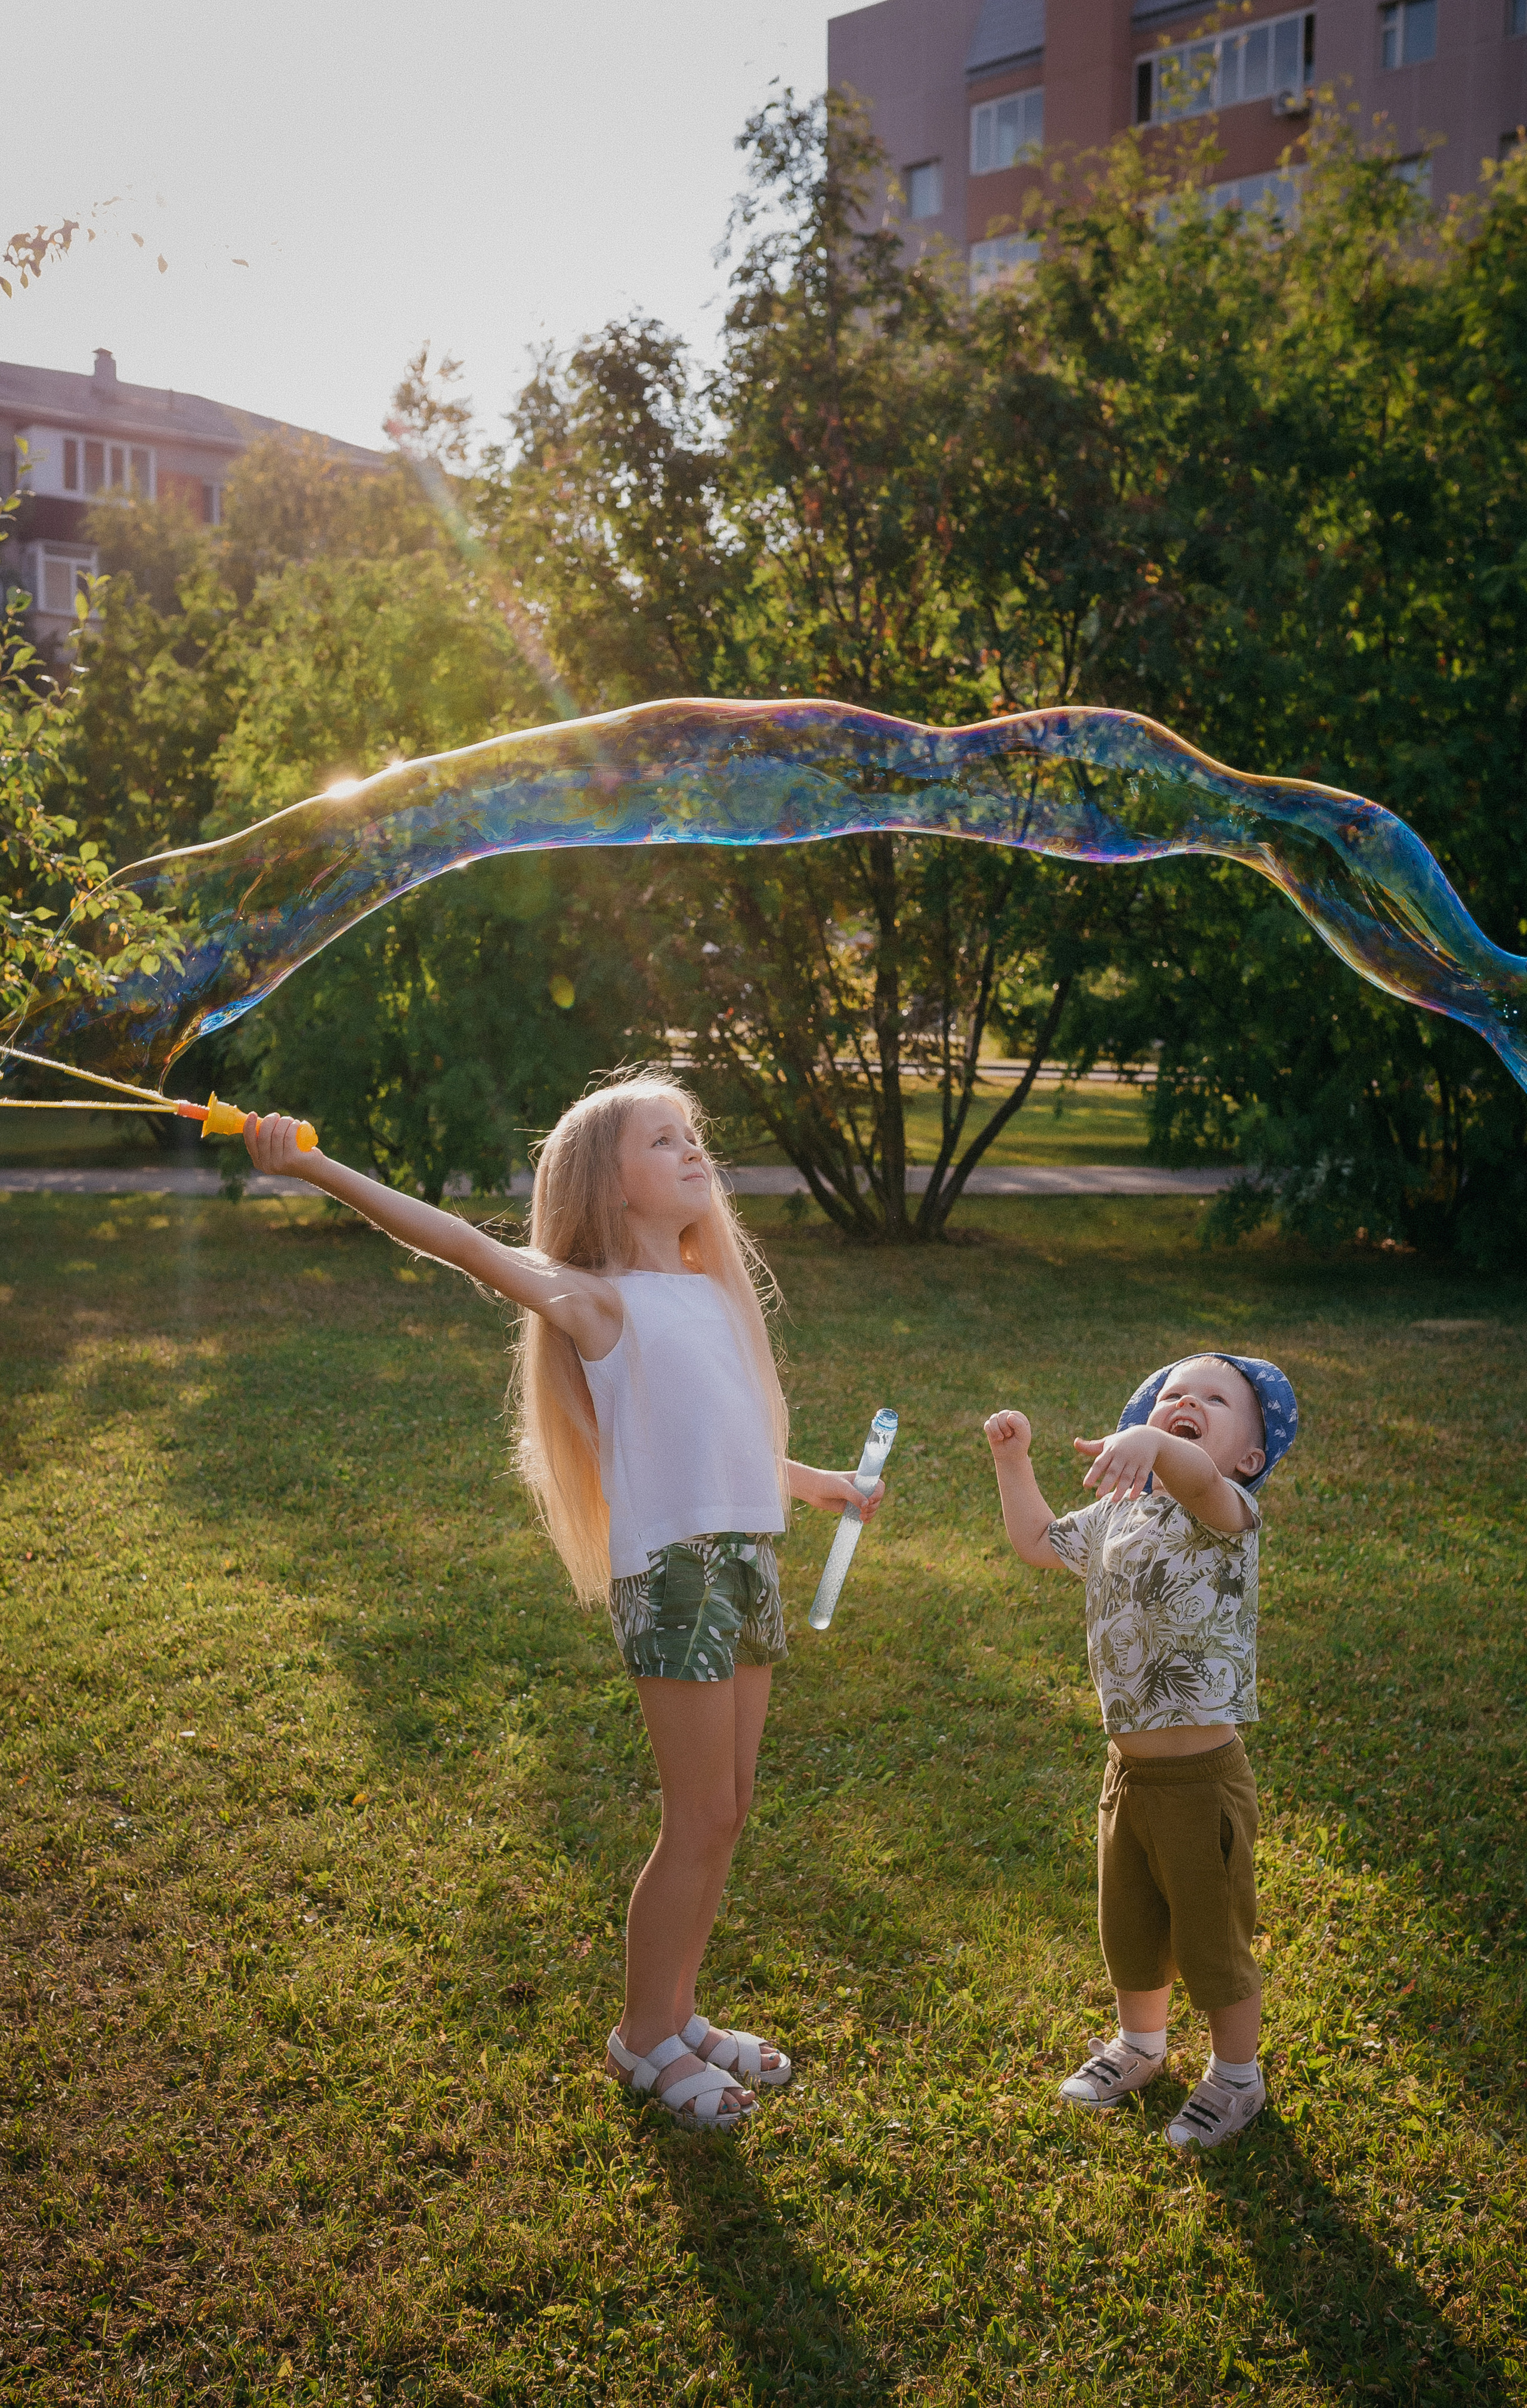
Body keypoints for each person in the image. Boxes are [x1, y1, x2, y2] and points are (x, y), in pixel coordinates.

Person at [243, 1075, 883, 2132]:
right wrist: (310, 1163)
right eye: (664, 1141)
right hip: (674, 1573)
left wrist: (809, 1483)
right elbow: (463, 1243)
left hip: (750, 1558)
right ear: (609, 1185)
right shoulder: (599, 1299)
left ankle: (677, 2016)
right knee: (697, 1818)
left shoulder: (708, 1291)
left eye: (695, 1138)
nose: (694, 1154)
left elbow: (716, 1436)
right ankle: (641, 2039)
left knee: (728, 1809)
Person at [983, 1353, 1297, 2151]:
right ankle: (1140, 2046)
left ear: (1250, 1458)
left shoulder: (1223, 1513)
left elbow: (1191, 1475)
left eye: (1214, 1399)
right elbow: (1035, 1542)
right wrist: (1012, 1461)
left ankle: (1236, 2079)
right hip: (1129, 1776)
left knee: (1211, 1938)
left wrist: (1159, 1448)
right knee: (1131, 1926)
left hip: (1202, 1783)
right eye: (1172, 1396)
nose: (1187, 1400)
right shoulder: (1118, 1516)